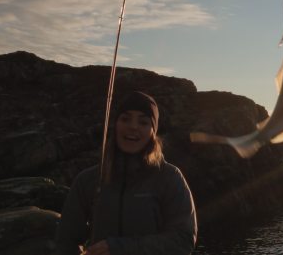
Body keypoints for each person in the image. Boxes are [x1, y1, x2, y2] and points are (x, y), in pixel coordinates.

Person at [55, 91, 197, 255]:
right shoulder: (87, 180)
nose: (133, 126)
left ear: (153, 131)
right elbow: (65, 241)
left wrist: (118, 248)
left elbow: (183, 241)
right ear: (115, 124)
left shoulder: (170, 178)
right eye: (125, 119)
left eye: (143, 122)